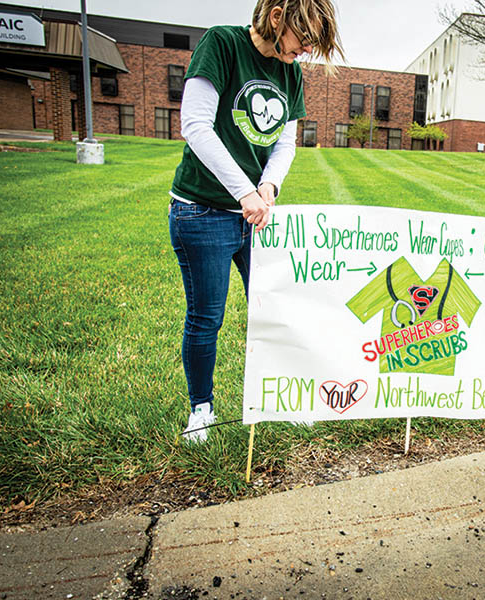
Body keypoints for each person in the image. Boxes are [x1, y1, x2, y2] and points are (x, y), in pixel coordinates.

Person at [169, 0, 342, 443]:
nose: (304, 50)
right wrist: (243, 192)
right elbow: (195, 125)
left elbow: (286, 143)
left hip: (257, 217)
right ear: (278, 15)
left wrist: (268, 189)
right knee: (207, 317)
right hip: (202, 211)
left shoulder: (290, 72)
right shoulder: (222, 43)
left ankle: (283, 399)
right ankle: (201, 410)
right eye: (303, 39)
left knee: (274, 309)